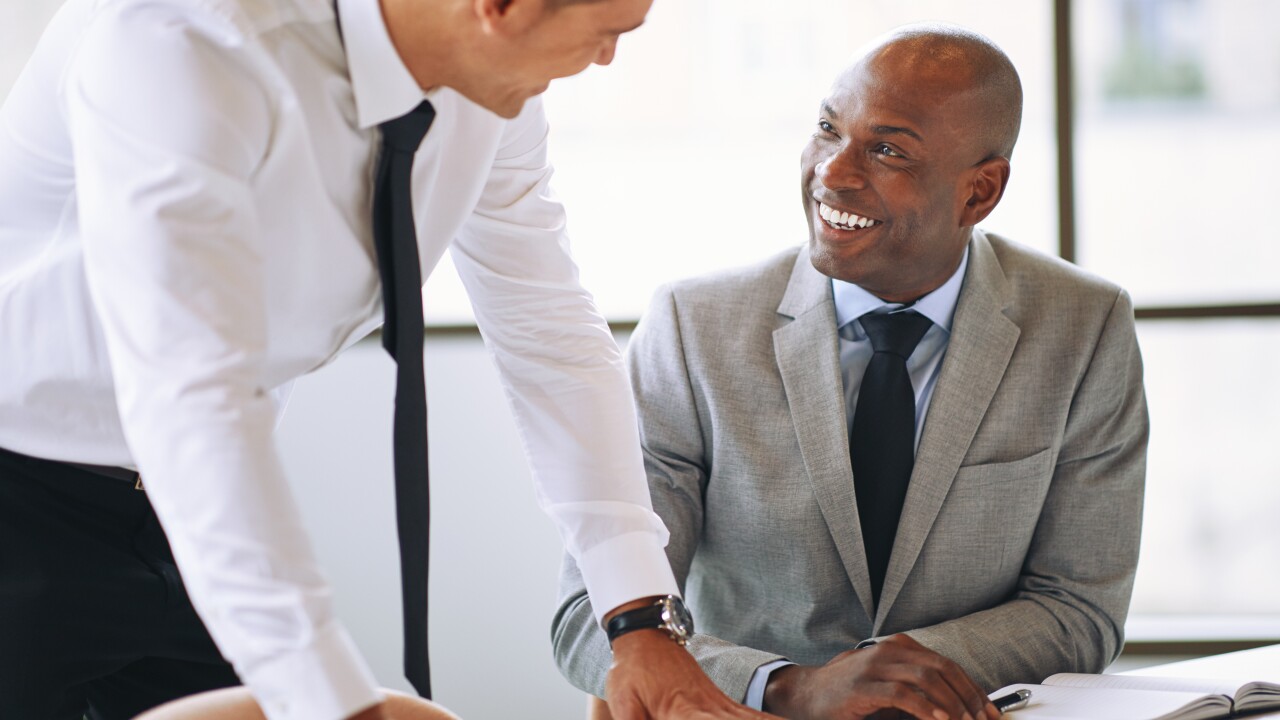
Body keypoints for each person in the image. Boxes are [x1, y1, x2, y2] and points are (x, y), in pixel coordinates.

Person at [0, 0, 775, 719]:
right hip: (24, 499)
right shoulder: (181, 43)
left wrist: (639, 621)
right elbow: (194, 396)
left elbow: (550, 333)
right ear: (498, 7)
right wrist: (339, 705)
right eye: (608, 30)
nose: (607, 58)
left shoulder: (486, 80)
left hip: (187, 515)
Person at [552, 23, 1149, 720]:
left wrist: (892, 677)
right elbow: (588, 617)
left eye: (888, 149)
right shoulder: (693, 328)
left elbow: (1079, 609)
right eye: (828, 130)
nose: (832, 172)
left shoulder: (1085, 327)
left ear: (979, 193)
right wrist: (789, 686)